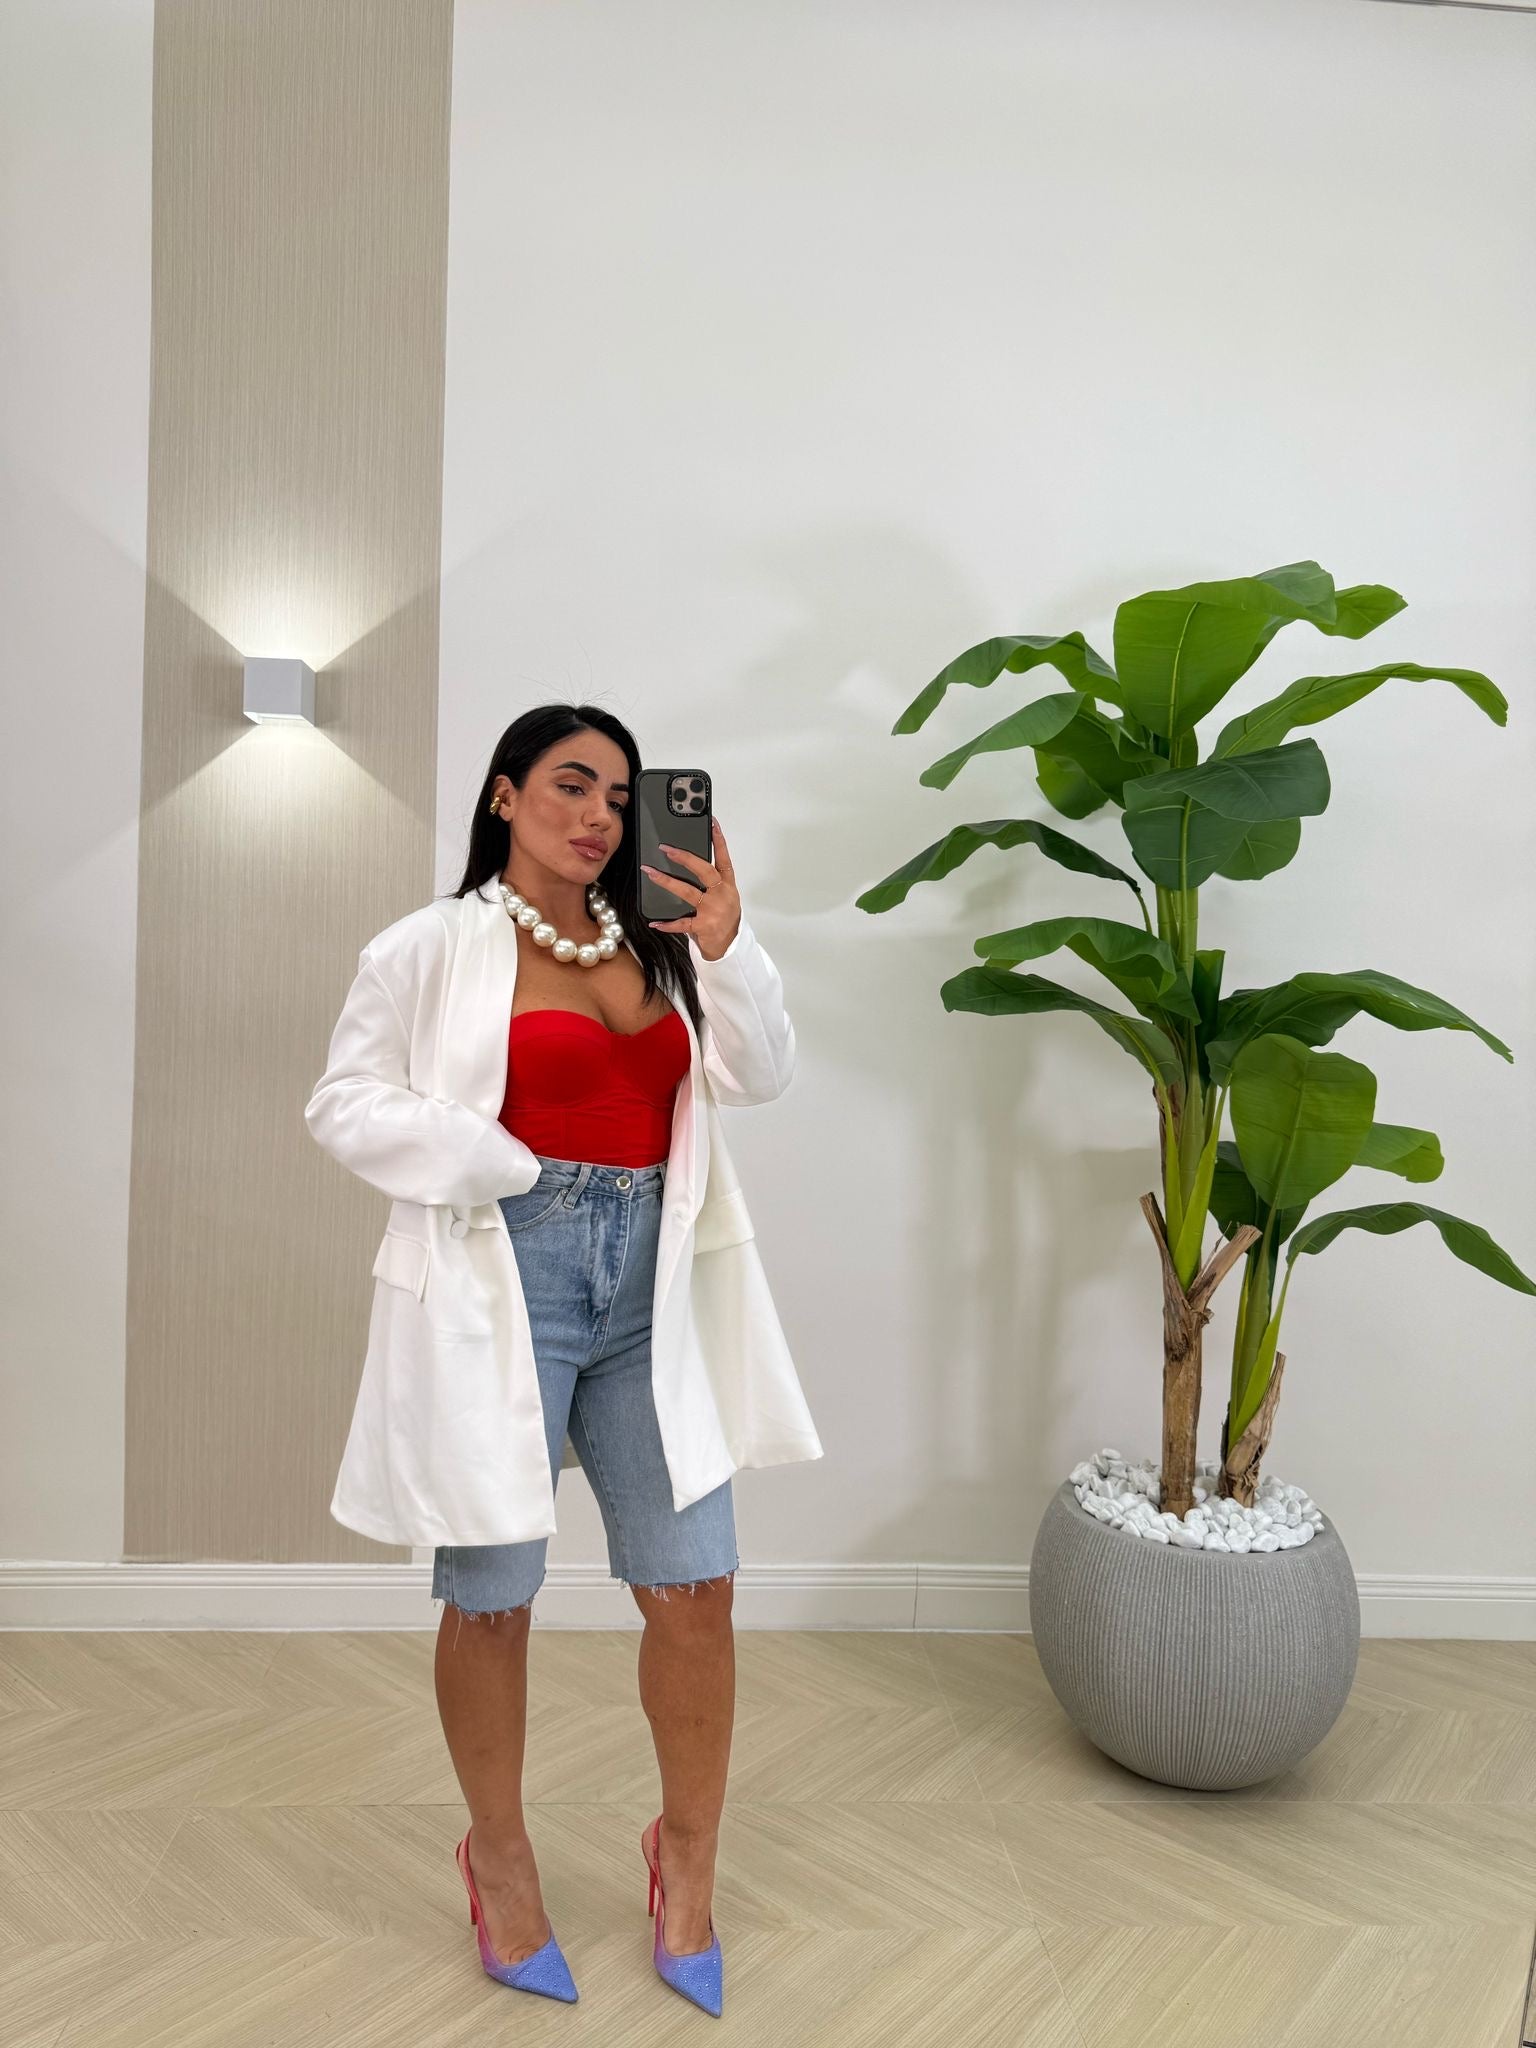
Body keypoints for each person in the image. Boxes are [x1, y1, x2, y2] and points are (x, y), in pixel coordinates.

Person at [304, 703, 822, 2016]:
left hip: (654, 1289)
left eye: (620, 796)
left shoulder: (661, 942)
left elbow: (760, 1075)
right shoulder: (430, 946)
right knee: (492, 1595)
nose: (598, 815)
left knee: (696, 1587)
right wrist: (495, 1160)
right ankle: (501, 1858)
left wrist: (728, 942)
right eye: (570, 784)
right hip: (505, 1278)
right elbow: (343, 1101)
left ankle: (686, 1857)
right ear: (503, 795)